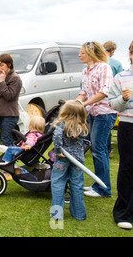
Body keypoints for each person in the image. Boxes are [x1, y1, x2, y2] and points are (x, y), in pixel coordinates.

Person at [76, 41, 117, 198]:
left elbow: (104, 92)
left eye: (82, 53)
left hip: (105, 113)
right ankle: (98, 184)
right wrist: (77, 102)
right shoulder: (85, 71)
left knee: (98, 149)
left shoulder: (104, 68)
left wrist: (84, 104)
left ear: (91, 54)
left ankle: (104, 189)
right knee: (97, 149)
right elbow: (84, 91)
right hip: (92, 113)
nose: (80, 55)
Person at [50, 100, 90, 221]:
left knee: (58, 184)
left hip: (62, 159)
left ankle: (57, 215)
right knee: (77, 185)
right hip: (78, 159)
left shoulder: (61, 124)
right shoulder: (82, 126)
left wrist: (58, 150)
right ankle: (79, 214)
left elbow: (56, 137)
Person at [108, 41, 133, 230]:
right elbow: (112, 104)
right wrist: (123, 99)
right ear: (130, 54)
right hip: (128, 125)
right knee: (127, 168)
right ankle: (123, 212)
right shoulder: (121, 77)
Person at [0, 53, 23, 146]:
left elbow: (9, 96)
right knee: (5, 140)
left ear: (9, 64)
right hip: (3, 114)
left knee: (6, 141)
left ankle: (8, 160)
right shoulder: (4, 76)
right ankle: (6, 159)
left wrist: (2, 82)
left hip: (10, 114)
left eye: (2, 65)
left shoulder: (15, 78)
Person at [103, 40, 123, 157]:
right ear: (112, 51)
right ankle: (108, 149)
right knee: (108, 127)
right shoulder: (116, 64)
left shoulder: (92, 62)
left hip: (94, 100)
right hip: (110, 98)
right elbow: (121, 83)